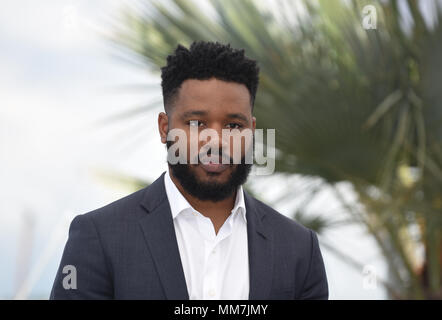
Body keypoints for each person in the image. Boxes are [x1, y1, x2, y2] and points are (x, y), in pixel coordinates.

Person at [50, 41, 328, 300]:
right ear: (164, 127)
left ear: (252, 131)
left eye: (233, 126)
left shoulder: (299, 250)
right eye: (196, 123)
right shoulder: (100, 237)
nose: (217, 141)